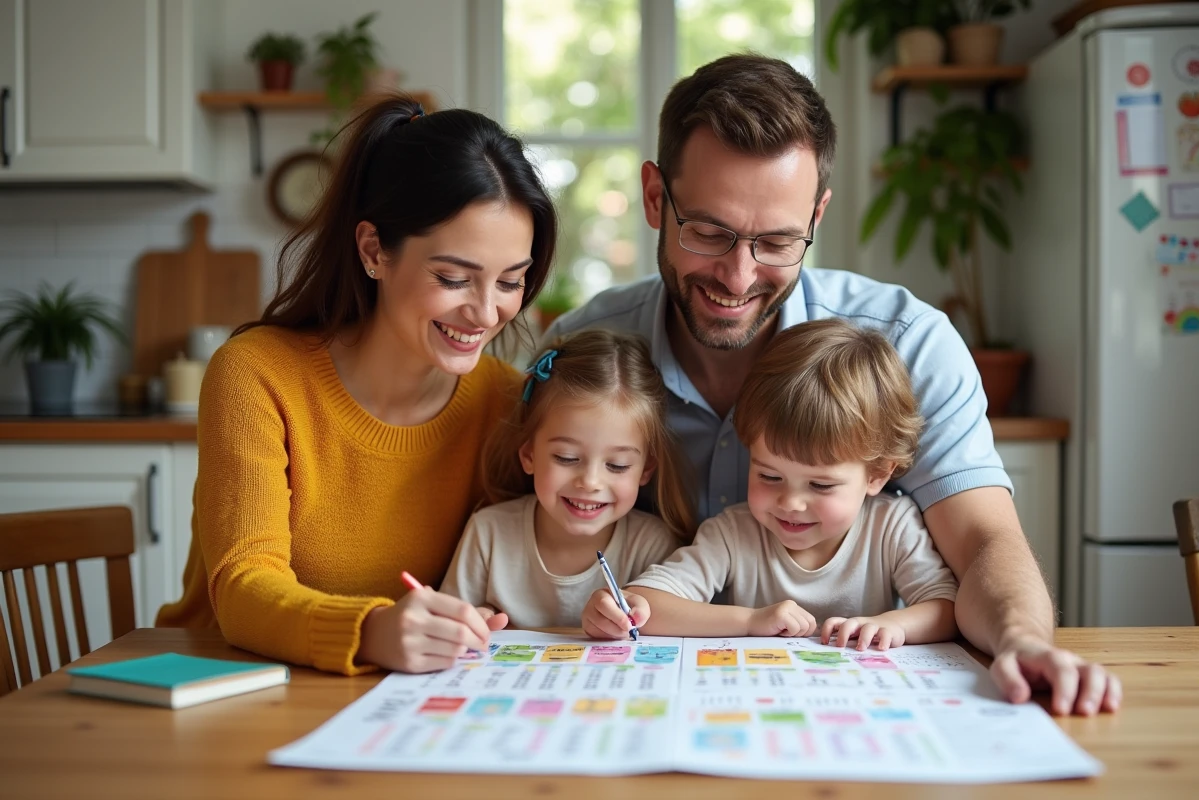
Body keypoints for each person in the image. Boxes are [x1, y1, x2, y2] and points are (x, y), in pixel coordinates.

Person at [548, 55, 1120, 715]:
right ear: (655, 199)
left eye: (777, 242)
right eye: (708, 232)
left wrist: (1021, 639)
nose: (739, 276)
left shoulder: (909, 345)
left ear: (817, 216)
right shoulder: (583, 355)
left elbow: (985, 542)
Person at [156, 94, 558, 676]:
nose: (485, 312)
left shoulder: (504, 401)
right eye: (453, 278)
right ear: (374, 250)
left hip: (392, 697)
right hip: (219, 685)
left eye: (511, 281)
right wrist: (372, 631)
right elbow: (243, 588)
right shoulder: (256, 375)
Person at [584, 319, 958, 650]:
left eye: (821, 485)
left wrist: (893, 625)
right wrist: (750, 620)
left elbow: (946, 607)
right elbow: (646, 604)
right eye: (769, 476)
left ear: (877, 474)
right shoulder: (732, 534)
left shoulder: (891, 527)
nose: (791, 502)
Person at [440, 329, 696, 628]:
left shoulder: (652, 546)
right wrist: (474, 619)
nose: (590, 482)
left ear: (646, 469)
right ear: (529, 455)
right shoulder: (488, 533)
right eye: (566, 458)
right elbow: (447, 624)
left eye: (617, 465)